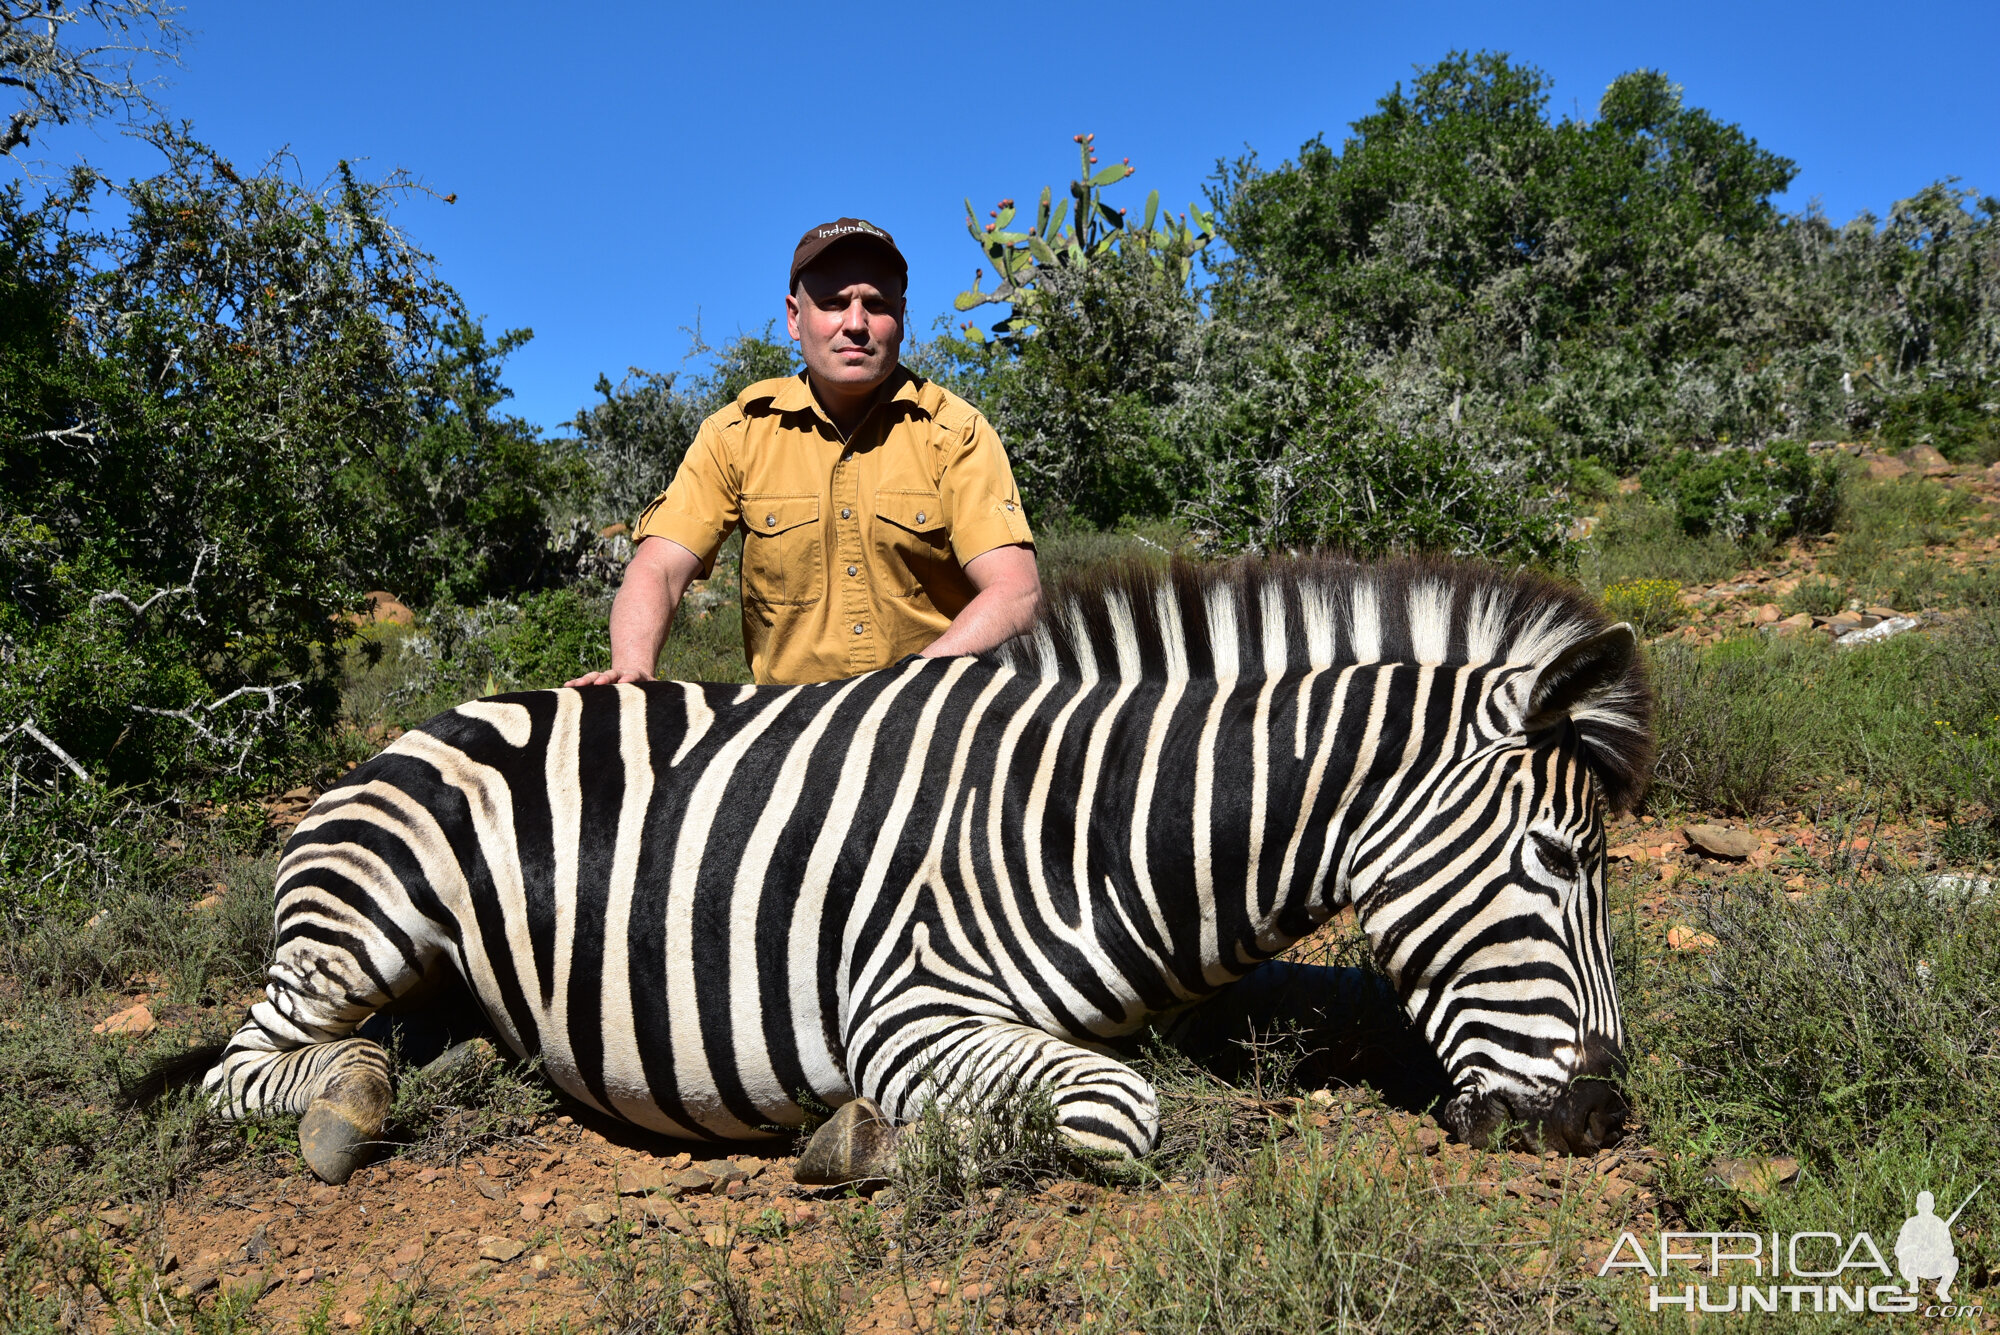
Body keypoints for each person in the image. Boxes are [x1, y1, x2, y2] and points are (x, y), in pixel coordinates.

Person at [566, 217, 1040, 688]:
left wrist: (907, 686)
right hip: (792, 735)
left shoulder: (955, 432)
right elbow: (661, 567)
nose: (855, 324)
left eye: (875, 305)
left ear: (901, 316)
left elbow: (1015, 593)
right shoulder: (738, 434)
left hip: (930, 715)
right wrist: (633, 667)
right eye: (834, 304)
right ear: (795, 317)